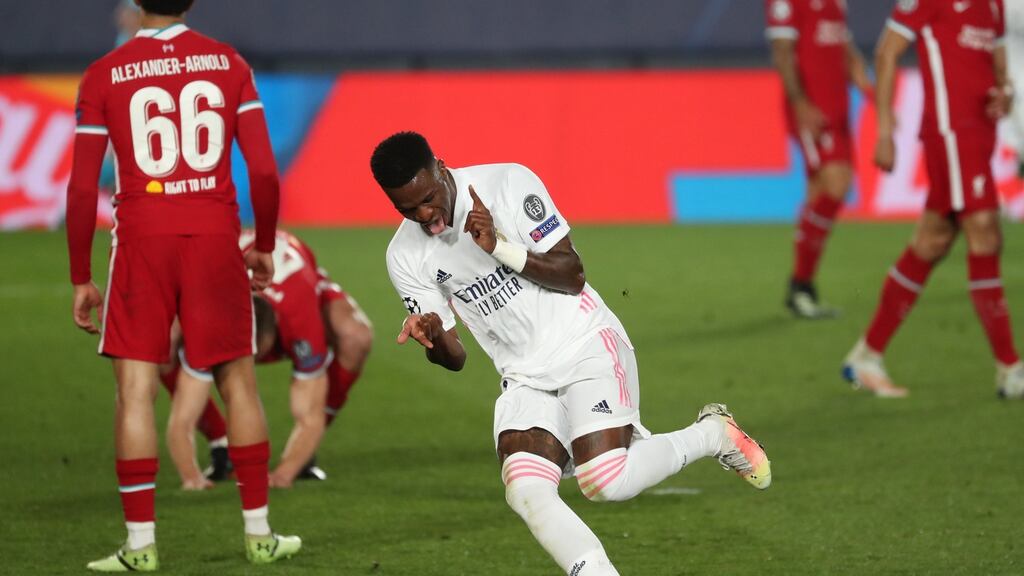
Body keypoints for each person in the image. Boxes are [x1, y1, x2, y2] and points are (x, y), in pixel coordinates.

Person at [373, 131, 772, 576]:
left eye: (427, 198)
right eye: (407, 210)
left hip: (584, 343)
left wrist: (499, 247)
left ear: (442, 169)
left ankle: (713, 434)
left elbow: (572, 274)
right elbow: (456, 357)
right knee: (525, 491)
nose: (424, 215)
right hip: (524, 377)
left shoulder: (508, 184)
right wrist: (433, 337)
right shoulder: (404, 257)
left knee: (604, 481)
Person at [66, 0, 301, 570]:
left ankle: (141, 547)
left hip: (141, 242)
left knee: (136, 392)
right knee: (238, 383)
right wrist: (264, 244)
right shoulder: (227, 63)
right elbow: (265, 172)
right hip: (215, 241)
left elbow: (79, 189)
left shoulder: (103, 74)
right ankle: (260, 535)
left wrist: (81, 277)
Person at [842, 0, 1024, 398]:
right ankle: (1011, 368)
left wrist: (1006, 93)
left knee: (933, 241)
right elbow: (887, 50)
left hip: (980, 135)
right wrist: (886, 129)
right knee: (985, 233)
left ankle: (867, 355)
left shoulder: (991, 5)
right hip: (950, 133)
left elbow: (998, 66)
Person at [164, 229, 372, 489]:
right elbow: (182, 418)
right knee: (162, 341)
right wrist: (190, 477)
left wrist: (283, 475)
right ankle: (220, 440)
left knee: (356, 337)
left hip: (297, 278)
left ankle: (301, 456)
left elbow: (310, 416)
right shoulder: (213, 319)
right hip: (217, 279)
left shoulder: (301, 323)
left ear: (274, 340)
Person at [765, 0, 873, 318]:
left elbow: (843, 43)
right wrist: (800, 105)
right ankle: (800, 284)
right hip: (812, 109)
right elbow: (783, 52)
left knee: (819, 191)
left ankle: (802, 288)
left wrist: (868, 87)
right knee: (837, 184)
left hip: (838, 107)